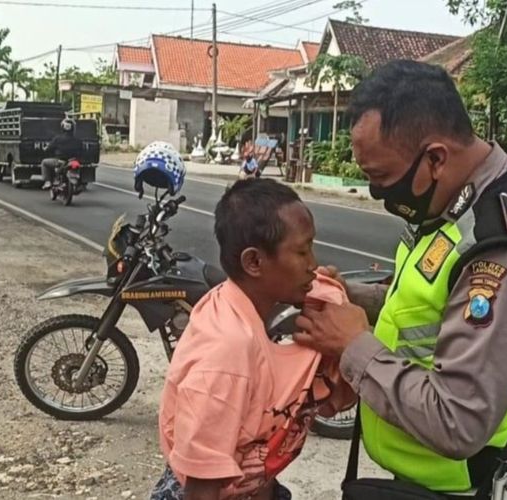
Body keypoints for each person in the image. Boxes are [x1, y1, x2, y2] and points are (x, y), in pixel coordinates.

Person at [293, 60, 507, 497]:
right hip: (428, 484)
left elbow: (458, 420)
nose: (376, 193)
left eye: (381, 177)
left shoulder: (505, 248)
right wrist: (352, 297)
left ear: (435, 158)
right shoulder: (455, 208)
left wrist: (354, 347)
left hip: (477, 486)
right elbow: (432, 302)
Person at [152, 178, 355, 500]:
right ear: (254, 262)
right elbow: (201, 487)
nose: (314, 264)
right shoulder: (225, 359)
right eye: (302, 251)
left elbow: (336, 402)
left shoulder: (245, 302)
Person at [41, 118, 82, 190]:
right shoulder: (78, 141)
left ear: (62, 127)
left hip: (60, 161)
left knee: (44, 162)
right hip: (74, 161)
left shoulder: (57, 138)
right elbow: (82, 151)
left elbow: (49, 148)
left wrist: (45, 149)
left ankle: (48, 182)